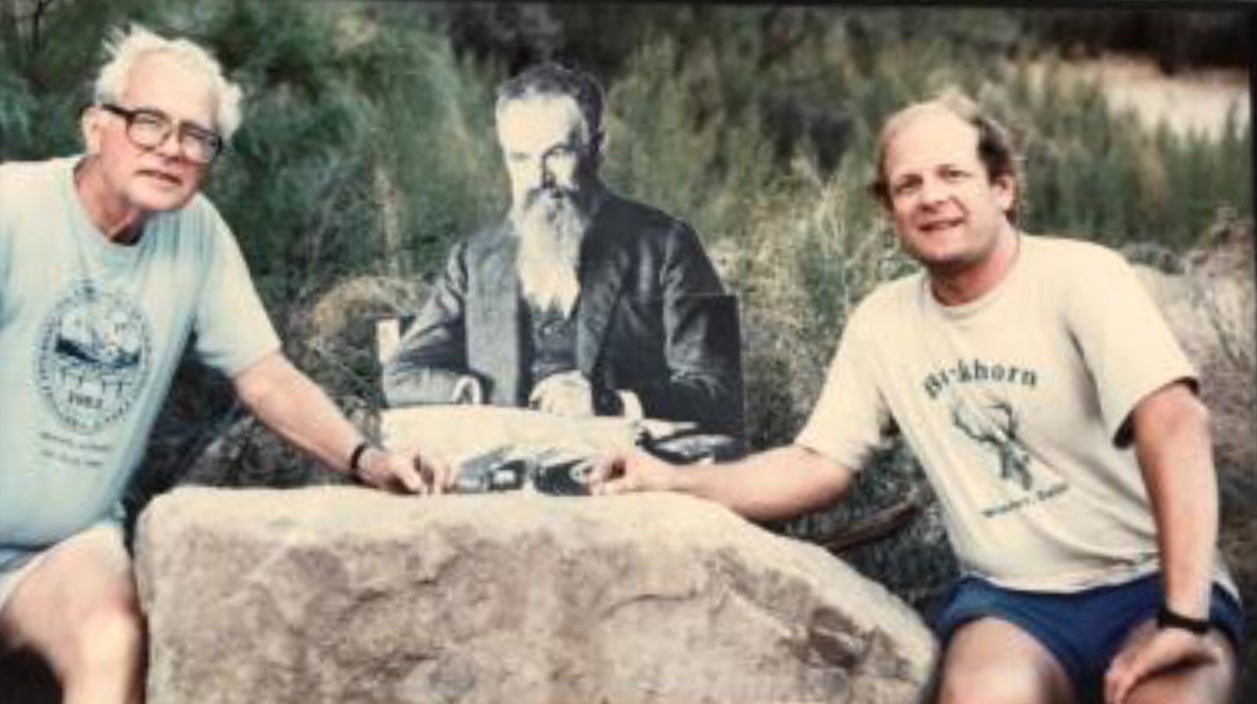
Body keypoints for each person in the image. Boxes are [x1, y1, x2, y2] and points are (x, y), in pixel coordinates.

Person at [591, 91, 1243, 704]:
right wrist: (670, 478)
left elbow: (1175, 420)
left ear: (1002, 188)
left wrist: (1181, 616)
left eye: (952, 175)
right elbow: (816, 464)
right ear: (891, 213)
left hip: (1149, 580)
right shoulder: (882, 323)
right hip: (1014, 602)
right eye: (908, 185)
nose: (930, 197)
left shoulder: (1080, 276)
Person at [0, 25, 450, 704]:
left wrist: (369, 460)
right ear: (96, 126)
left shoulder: (198, 233)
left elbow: (265, 376)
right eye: (148, 122)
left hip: (60, 551)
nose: (170, 150)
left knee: (111, 637)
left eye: (195, 136)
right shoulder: (13, 206)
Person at [382, 62, 743, 439]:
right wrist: (462, 391)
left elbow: (719, 392)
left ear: (598, 147)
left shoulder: (668, 246)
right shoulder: (473, 260)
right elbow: (401, 372)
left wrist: (609, 402)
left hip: (625, 473)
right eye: (520, 158)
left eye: (556, 154)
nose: (539, 179)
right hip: (503, 477)